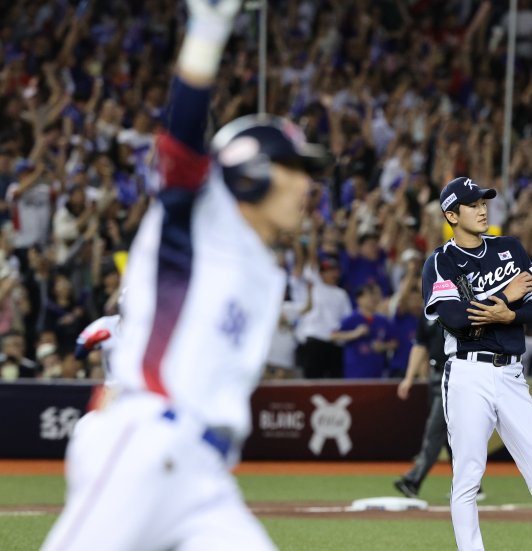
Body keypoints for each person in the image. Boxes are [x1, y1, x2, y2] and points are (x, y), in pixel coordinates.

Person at [41, 1, 330, 550]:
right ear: (249, 171)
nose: (306, 186)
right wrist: (208, 32)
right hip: (147, 446)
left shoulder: (263, 266)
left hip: (204, 478)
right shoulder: (198, 217)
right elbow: (180, 144)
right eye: (294, 169)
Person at [421, 176, 532, 551]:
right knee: (468, 477)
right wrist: (506, 295)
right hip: (468, 372)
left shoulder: (510, 248)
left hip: (512, 373)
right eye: (472, 204)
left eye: (484, 202)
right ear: (451, 214)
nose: (482, 208)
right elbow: (456, 318)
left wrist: (506, 313)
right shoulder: (441, 262)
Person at [393, 311, 486, 501]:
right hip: (435, 377)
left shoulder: (459, 306)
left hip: (456, 376)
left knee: (435, 430)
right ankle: (471, 484)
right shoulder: (428, 313)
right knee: (448, 436)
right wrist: (409, 378)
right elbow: (420, 345)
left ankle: (413, 480)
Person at [331, 282, 396, 378]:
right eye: (368, 295)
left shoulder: (382, 320)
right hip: (355, 371)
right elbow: (333, 336)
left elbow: (395, 342)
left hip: (377, 371)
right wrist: (355, 334)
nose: (372, 299)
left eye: (374, 295)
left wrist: (383, 346)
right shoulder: (351, 319)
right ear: (359, 299)